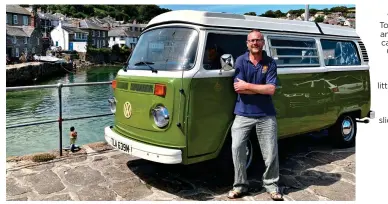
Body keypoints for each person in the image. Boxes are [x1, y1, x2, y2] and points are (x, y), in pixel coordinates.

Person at [227, 29, 283, 201]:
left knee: (271, 152)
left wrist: (249, 87)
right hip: (243, 113)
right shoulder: (241, 61)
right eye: (252, 40)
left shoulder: (270, 62)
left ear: (263, 42)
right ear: (247, 43)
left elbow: (271, 89)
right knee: (237, 148)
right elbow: (238, 88)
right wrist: (260, 89)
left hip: (266, 113)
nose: (255, 43)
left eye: (258, 40)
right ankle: (240, 186)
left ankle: (272, 185)